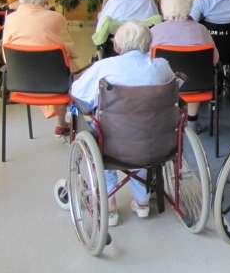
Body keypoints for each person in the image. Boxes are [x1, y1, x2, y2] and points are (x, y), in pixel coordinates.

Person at [71, 21, 174, 227]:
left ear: (117, 46)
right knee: (142, 128)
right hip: (154, 142)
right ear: (148, 44)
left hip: (113, 143)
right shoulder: (162, 66)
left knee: (102, 132)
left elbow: (78, 94)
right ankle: (142, 201)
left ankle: (109, 204)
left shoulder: (104, 68)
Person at [2, 0, 78, 136]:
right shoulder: (56, 18)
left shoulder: (10, 19)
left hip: (20, 83)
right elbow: (70, 50)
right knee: (72, 69)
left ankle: (62, 123)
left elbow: (5, 54)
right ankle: (64, 123)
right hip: (55, 84)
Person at [151, 0, 219, 131]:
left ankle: (167, 121)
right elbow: (215, 60)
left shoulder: (155, 32)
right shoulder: (202, 30)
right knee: (193, 74)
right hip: (197, 86)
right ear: (189, 4)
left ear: (164, 6)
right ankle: (192, 122)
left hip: (163, 87)